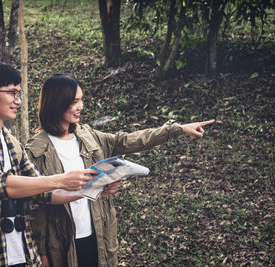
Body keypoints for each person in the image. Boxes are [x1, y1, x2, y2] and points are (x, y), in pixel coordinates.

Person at [25, 74, 215, 267]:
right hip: (60, 244)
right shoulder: (36, 150)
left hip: (97, 234)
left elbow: (127, 140)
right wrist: (41, 252)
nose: (80, 106)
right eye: (74, 101)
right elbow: (35, 205)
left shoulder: (87, 134)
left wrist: (177, 129)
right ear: (57, 102)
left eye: (81, 100)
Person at [0, 62, 98, 267]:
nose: (18, 101)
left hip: (23, 255)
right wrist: (60, 179)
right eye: (12, 93)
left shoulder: (10, 141)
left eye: (20, 94)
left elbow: (42, 192)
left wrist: (93, 189)